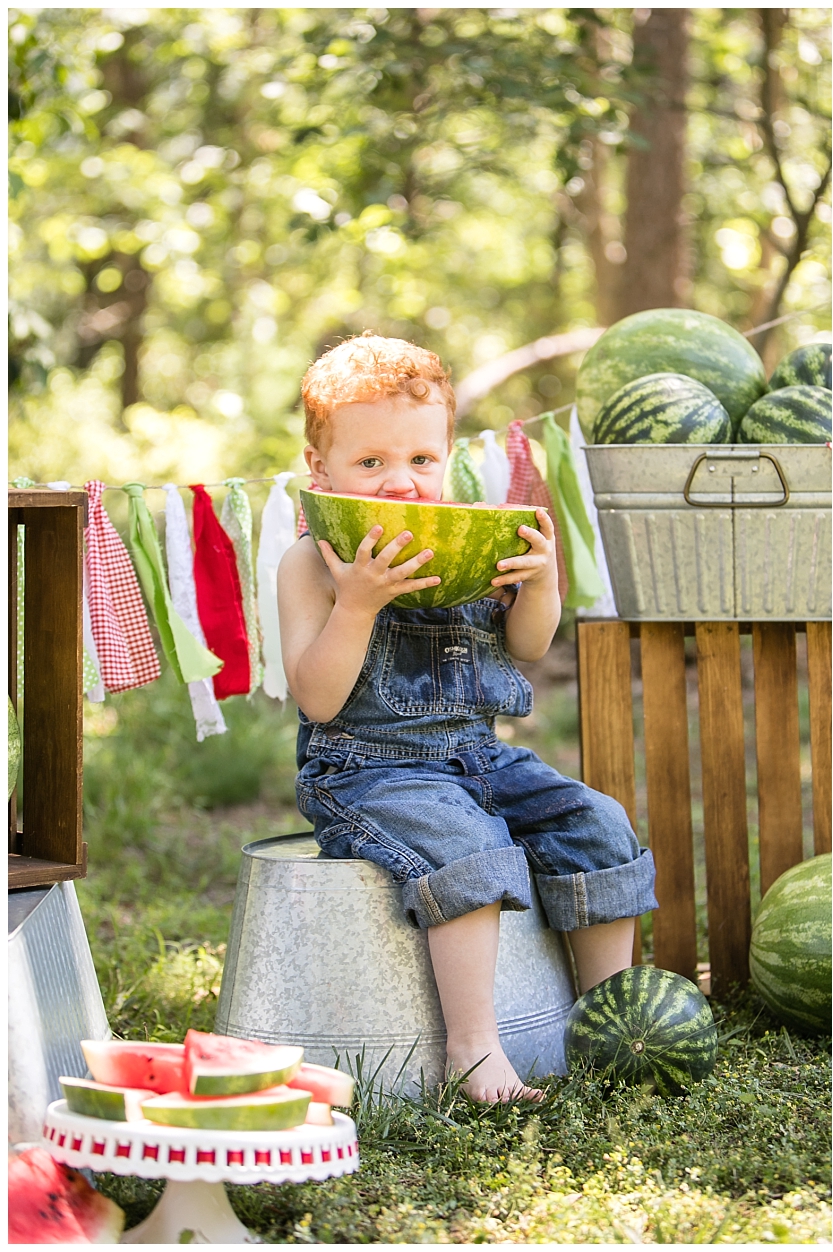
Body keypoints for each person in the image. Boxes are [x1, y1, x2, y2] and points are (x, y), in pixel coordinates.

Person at [278, 334, 657, 1102]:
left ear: (447, 455)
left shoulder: (468, 540)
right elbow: (316, 697)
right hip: (366, 770)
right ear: (320, 470)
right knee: (465, 843)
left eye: (421, 460)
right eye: (372, 463)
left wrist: (540, 584)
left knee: (597, 823)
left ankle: (613, 1021)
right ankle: (474, 1050)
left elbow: (524, 645)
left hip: (480, 757)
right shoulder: (312, 563)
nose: (402, 483)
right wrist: (357, 605)